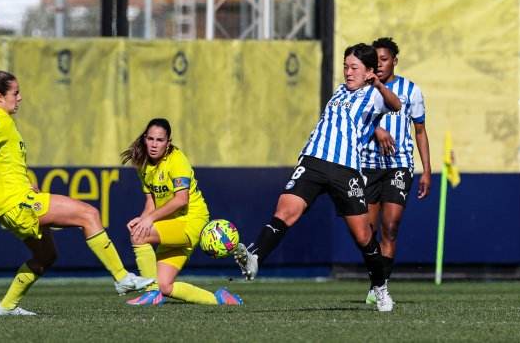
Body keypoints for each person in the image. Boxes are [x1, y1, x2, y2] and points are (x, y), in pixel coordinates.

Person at [0, 70, 153, 316]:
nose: (20, 98)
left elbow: (5, 164)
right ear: (0, 97)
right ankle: (122, 277)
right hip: (18, 204)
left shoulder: (3, 122)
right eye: (15, 93)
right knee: (88, 214)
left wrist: (27, 184)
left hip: (11, 205)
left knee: (46, 256)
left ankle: (6, 306)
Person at [233, 43, 401, 312]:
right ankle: (255, 257)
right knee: (285, 210)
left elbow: (396, 105)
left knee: (363, 236)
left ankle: (379, 287)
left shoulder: (373, 95)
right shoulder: (340, 91)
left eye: (354, 67)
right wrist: (376, 128)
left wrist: (379, 85)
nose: (347, 72)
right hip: (313, 160)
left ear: (369, 72)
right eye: (345, 66)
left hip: (345, 169)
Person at [121, 118, 242, 306]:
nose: (154, 144)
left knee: (139, 236)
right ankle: (219, 300)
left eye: (160, 140)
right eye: (150, 139)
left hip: (190, 221)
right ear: (144, 139)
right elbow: (151, 202)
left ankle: (150, 293)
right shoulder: (144, 164)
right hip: (172, 224)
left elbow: (181, 199)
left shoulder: (177, 160)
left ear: (168, 143)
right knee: (165, 285)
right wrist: (143, 218)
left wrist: (148, 221)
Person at [362, 37, 431, 305]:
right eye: (375, 60)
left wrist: (427, 170)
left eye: (384, 59)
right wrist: (376, 130)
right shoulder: (361, 90)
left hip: (399, 166)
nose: (379, 65)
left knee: (390, 228)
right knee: (367, 231)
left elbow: (421, 131)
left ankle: (380, 286)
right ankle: (376, 278)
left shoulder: (410, 90)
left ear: (394, 61)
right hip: (368, 165)